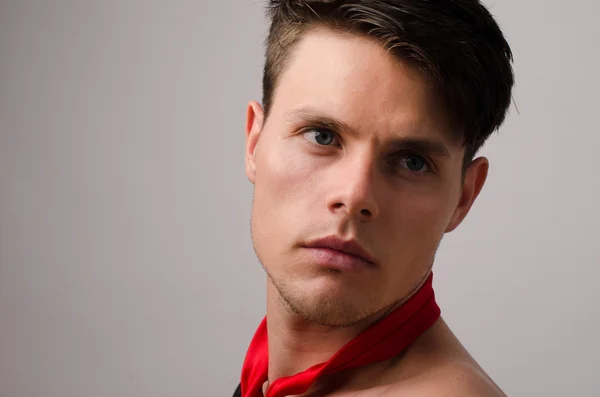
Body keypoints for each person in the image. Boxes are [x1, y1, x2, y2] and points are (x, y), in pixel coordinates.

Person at [234, 0, 514, 396]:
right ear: (254, 143)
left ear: (463, 197)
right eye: (322, 136)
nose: (354, 195)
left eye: (412, 162)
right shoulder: (266, 377)